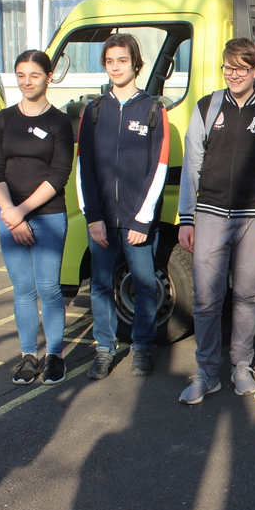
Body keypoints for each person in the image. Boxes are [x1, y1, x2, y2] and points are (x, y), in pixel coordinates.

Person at [176, 38, 255, 403]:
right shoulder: (207, 106)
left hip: (254, 218)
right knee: (206, 299)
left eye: (242, 69)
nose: (234, 75)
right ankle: (206, 372)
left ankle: (241, 366)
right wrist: (187, 219)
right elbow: (192, 166)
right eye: (228, 67)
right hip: (210, 214)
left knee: (247, 295)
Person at [79, 33, 169, 380]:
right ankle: (104, 349)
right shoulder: (93, 111)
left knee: (145, 285)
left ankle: (142, 347)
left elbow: (158, 168)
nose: (116, 67)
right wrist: (93, 217)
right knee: (100, 286)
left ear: (135, 64)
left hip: (137, 222)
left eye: (122, 61)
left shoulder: (153, 110)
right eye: (110, 61)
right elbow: (84, 166)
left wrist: (142, 220)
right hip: (102, 220)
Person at [0, 50, 74, 385]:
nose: (27, 82)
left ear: (49, 78)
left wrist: (21, 212)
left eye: (34, 75)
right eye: (21, 75)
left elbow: (59, 173)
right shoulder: (2, 120)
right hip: (9, 215)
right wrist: (10, 213)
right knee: (23, 289)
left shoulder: (59, 122)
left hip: (48, 216)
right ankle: (27, 356)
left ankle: (54, 356)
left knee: (49, 289)